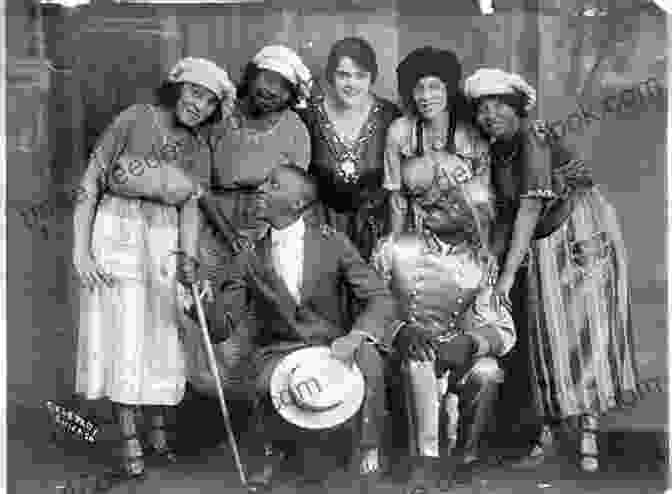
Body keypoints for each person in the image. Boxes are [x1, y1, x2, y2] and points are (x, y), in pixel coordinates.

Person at [464, 68, 640, 472]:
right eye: (483, 109)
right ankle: (547, 436)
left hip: (580, 234)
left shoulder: (535, 137)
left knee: (581, 331)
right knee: (544, 334)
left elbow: (529, 208)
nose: (490, 116)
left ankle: (588, 436)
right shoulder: (498, 151)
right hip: (545, 239)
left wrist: (507, 276)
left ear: (518, 109)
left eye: (499, 107)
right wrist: (493, 264)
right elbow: (507, 217)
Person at [188, 164, 398, 492]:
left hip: (335, 344)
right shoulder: (247, 258)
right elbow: (220, 328)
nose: (260, 189)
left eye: (273, 185)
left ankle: (367, 453)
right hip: (279, 351)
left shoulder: (333, 242)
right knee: (264, 382)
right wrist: (197, 301)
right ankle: (271, 457)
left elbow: (379, 297)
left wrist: (356, 336)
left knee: (369, 357)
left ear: (297, 203)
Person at [72, 57, 236, 478]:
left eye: (209, 102)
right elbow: (90, 183)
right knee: (125, 333)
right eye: (194, 93)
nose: (198, 105)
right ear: (177, 88)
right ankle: (129, 441)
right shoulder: (134, 119)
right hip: (117, 232)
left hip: (163, 241)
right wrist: (81, 253)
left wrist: (189, 258)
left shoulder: (199, 148)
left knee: (162, 334)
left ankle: (158, 434)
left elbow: (190, 209)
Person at [372, 152, 516, 494]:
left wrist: (471, 343)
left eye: (448, 202)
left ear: (471, 218)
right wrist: (399, 330)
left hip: (452, 353)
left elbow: (502, 326)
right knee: (420, 356)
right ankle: (426, 464)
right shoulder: (393, 248)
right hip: (397, 353)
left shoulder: (481, 264)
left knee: (487, 370)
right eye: (431, 200)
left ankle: (464, 461)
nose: (432, 205)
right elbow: (368, 305)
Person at [201, 44, 313, 347]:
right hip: (210, 224)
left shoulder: (296, 131)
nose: (270, 90)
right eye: (265, 79)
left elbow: (290, 194)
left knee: (252, 312)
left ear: (292, 94)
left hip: (263, 230)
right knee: (205, 304)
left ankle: (246, 390)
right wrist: (226, 232)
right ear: (250, 79)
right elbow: (198, 183)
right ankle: (204, 390)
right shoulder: (221, 119)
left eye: (281, 85)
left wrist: (259, 237)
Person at [298, 37, 401, 260]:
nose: (351, 84)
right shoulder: (309, 116)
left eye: (360, 76)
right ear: (330, 76)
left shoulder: (389, 116)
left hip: (374, 229)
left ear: (372, 77)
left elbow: (398, 185)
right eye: (343, 75)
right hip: (319, 227)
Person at [384, 46, 482, 236]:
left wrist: (484, 248)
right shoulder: (399, 131)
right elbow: (396, 200)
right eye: (419, 89)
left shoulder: (471, 133)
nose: (426, 97)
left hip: (467, 234)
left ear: (448, 89)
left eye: (434, 87)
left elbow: (484, 202)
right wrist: (393, 243)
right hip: (418, 235)